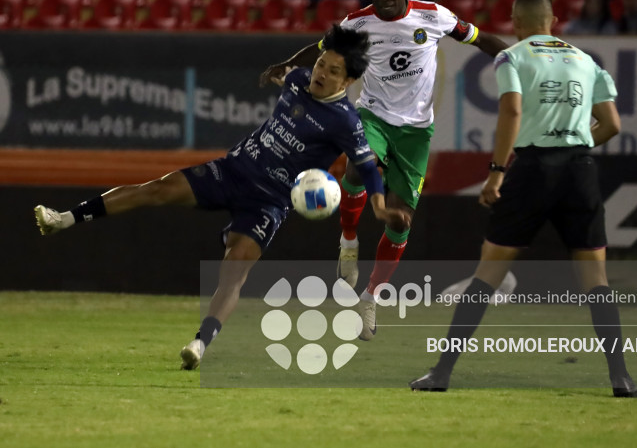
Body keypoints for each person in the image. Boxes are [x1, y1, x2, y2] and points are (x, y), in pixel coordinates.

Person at [33, 25, 409, 371]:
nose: (321, 74)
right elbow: (288, 74)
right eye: (321, 65)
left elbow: (367, 166)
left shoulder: (346, 122)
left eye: (332, 71)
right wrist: (280, 72)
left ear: (350, 80)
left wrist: (378, 206)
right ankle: (62, 219)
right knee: (157, 189)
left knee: (234, 269)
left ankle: (200, 344)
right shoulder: (297, 80)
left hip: (269, 202)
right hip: (233, 171)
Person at [261, 0, 508, 341]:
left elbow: (479, 39)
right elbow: (322, 49)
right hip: (372, 116)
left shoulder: (434, 15)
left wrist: (513, 57)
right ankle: (348, 239)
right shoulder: (358, 22)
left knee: (400, 223)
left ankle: (371, 296)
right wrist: (286, 63)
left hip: (415, 133)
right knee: (361, 166)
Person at [409, 0, 637, 398]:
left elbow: (512, 111)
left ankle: (442, 372)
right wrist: (575, 140)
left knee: (487, 274)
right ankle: (621, 377)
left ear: (515, 24)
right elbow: (613, 124)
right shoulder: (587, 62)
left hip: (532, 171)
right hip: (580, 172)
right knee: (596, 280)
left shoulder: (512, 56)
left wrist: (497, 173)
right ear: (552, 21)